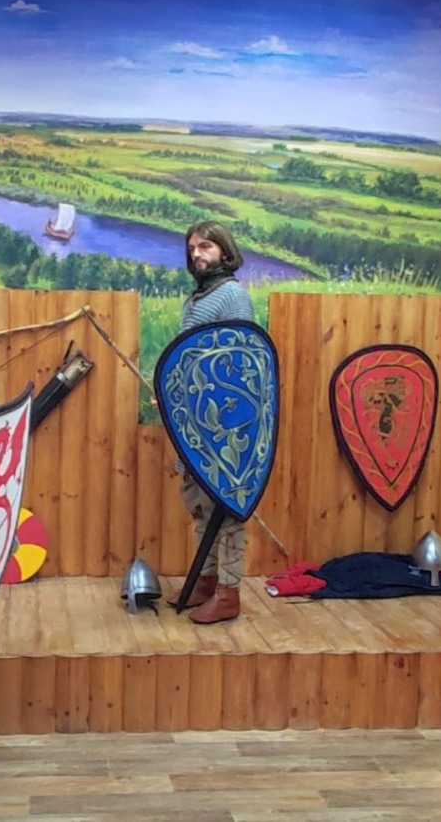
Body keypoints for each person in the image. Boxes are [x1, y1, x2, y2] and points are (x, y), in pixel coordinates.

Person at [175, 220, 255, 624]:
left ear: (224, 250)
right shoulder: (197, 299)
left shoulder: (233, 297)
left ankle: (228, 592)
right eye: (192, 248)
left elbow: (241, 361)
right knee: (200, 506)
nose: (196, 254)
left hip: (223, 423)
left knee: (227, 509)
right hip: (194, 419)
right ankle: (205, 581)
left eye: (205, 246)